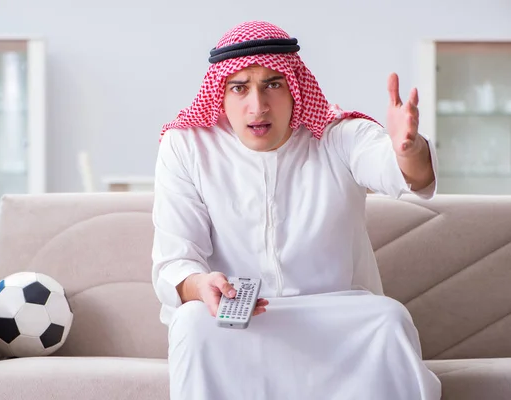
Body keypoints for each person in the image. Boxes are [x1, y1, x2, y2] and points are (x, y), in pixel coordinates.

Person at [151, 20, 442, 400]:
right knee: (191, 322)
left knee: (388, 319)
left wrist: (408, 149)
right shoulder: (186, 147)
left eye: (273, 84)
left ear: (295, 89)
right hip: (242, 324)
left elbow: (406, 174)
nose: (258, 105)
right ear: (220, 95)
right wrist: (199, 286)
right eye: (239, 88)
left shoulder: (337, 135)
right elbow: (175, 259)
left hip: (335, 321)